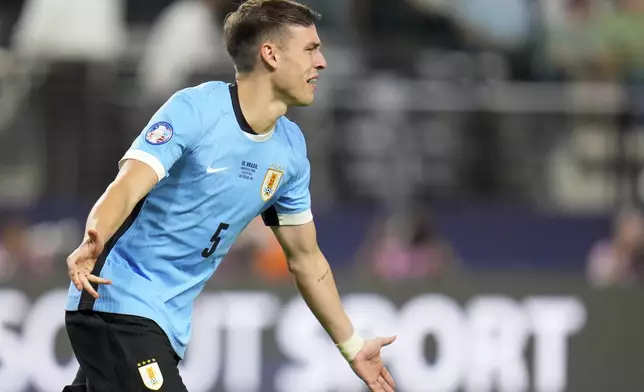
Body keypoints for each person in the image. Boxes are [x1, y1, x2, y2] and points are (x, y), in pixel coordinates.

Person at [62, 1, 397, 392]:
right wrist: (94, 236)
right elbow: (128, 185)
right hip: (117, 299)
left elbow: (307, 260)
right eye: (309, 49)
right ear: (270, 54)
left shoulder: (289, 149)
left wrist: (353, 346)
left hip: (165, 323)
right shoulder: (196, 110)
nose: (321, 62)